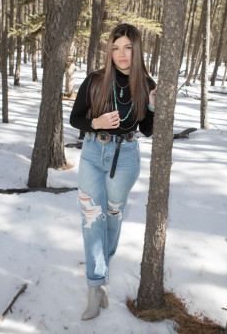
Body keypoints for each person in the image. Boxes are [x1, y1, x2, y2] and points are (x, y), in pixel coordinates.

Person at [70, 23, 156, 320]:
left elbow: (147, 129)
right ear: (110, 50)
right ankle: (95, 288)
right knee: (92, 217)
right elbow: (75, 118)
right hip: (94, 153)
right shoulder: (95, 80)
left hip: (127, 156)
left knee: (113, 215)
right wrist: (96, 124)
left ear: (136, 49)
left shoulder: (145, 83)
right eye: (116, 47)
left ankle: (102, 265)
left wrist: (155, 108)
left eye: (128, 47)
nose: (121, 54)